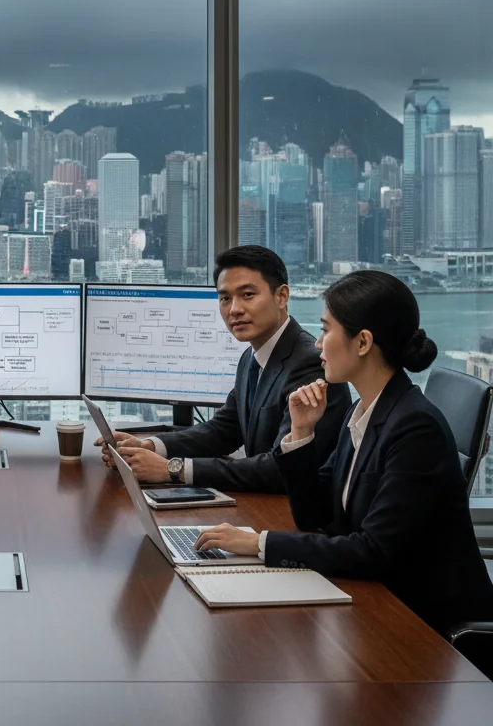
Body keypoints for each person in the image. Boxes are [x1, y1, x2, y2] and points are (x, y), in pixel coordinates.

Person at [194, 270, 493, 636]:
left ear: (363, 342)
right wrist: (301, 433)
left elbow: (372, 551)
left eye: (326, 330)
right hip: (377, 599)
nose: (318, 344)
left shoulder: (416, 428)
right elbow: (314, 514)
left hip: (427, 627)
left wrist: (258, 543)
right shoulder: (363, 411)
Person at [95, 245, 352, 492]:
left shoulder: (311, 364)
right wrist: (151, 446)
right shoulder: (252, 358)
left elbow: (282, 468)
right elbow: (223, 430)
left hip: (294, 512)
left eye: (247, 295)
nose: (235, 309)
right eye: (225, 298)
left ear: (281, 296)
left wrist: (173, 469)